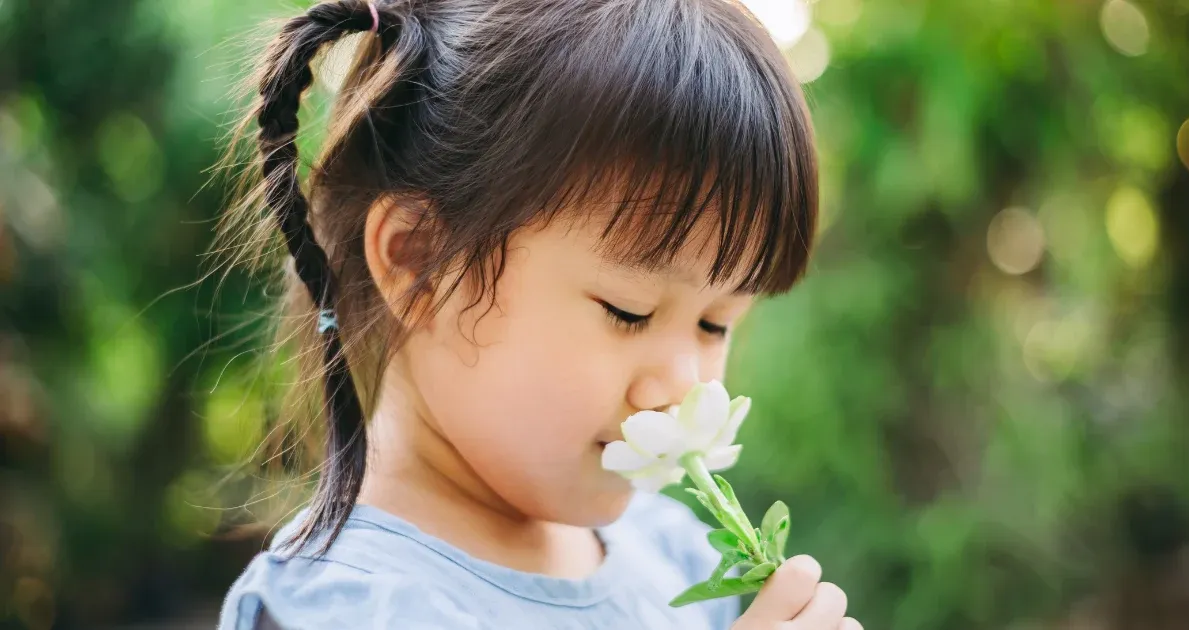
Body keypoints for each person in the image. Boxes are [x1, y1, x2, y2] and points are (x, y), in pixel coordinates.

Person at [215, 0, 858, 628]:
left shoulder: (677, 555)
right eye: (629, 312)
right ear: (421, 265)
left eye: (715, 324)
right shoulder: (345, 606)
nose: (683, 386)